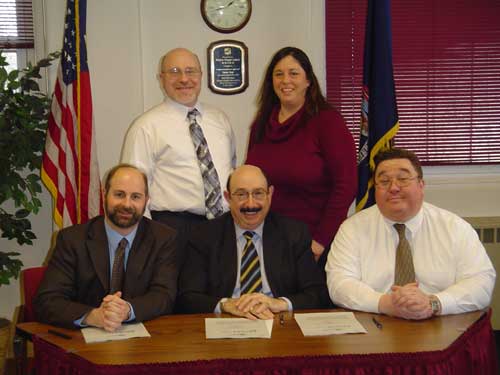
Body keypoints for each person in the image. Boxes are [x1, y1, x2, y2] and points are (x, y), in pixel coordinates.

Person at [325, 148, 496, 320]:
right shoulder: (352, 229)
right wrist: (385, 304)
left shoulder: (455, 228)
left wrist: (434, 303)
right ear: (374, 188)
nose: (393, 188)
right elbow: (339, 284)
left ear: (421, 185)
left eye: (403, 179)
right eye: (384, 181)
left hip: (443, 324)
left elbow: (481, 281)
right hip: (375, 325)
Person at [121, 47, 236, 267]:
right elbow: (134, 191)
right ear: (161, 78)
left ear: (201, 75)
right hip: (174, 229)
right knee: (179, 297)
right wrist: (147, 242)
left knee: (219, 295)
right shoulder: (145, 127)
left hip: (223, 227)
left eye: (191, 71)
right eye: (174, 71)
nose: (184, 79)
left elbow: (230, 168)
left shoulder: (220, 120)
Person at [246, 46, 357, 266]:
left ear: (308, 81)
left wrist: (320, 241)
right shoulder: (261, 123)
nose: (285, 80)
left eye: (293, 73)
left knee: (311, 301)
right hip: (269, 239)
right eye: (279, 74)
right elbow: (252, 179)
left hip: (313, 242)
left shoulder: (328, 122)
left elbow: (346, 186)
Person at [34, 164, 177, 330]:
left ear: (147, 200)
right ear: (104, 194)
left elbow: (164, 296)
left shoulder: (164, 239)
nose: (127, 204)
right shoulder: (72, 239)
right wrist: (91, 316)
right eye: (119, 194)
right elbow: (47, 300)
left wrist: (127, 311)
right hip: (82, 341)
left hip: (142, 342)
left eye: (136, 197)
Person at [177, 165, 327, 318]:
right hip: (227, 323)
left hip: (278, 322)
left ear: (270, 194)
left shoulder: (294, 233)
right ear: (228, 197)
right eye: (241, 194)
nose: (250, 204)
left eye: (258, 193)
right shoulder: (204, 235)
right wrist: (225, 305)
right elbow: (187, 296)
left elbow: (317, 293)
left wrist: (280, 303)